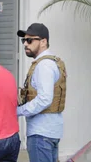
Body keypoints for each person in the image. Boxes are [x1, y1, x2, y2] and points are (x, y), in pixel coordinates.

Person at [16, 23, 67, 162]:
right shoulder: (51, 62)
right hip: (51, 132)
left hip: (41, 134)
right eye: (24, 40)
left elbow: (45, 99)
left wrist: (18, 111)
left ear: (43, 42)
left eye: (30, 40)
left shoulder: (44, 66)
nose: (25, 44)